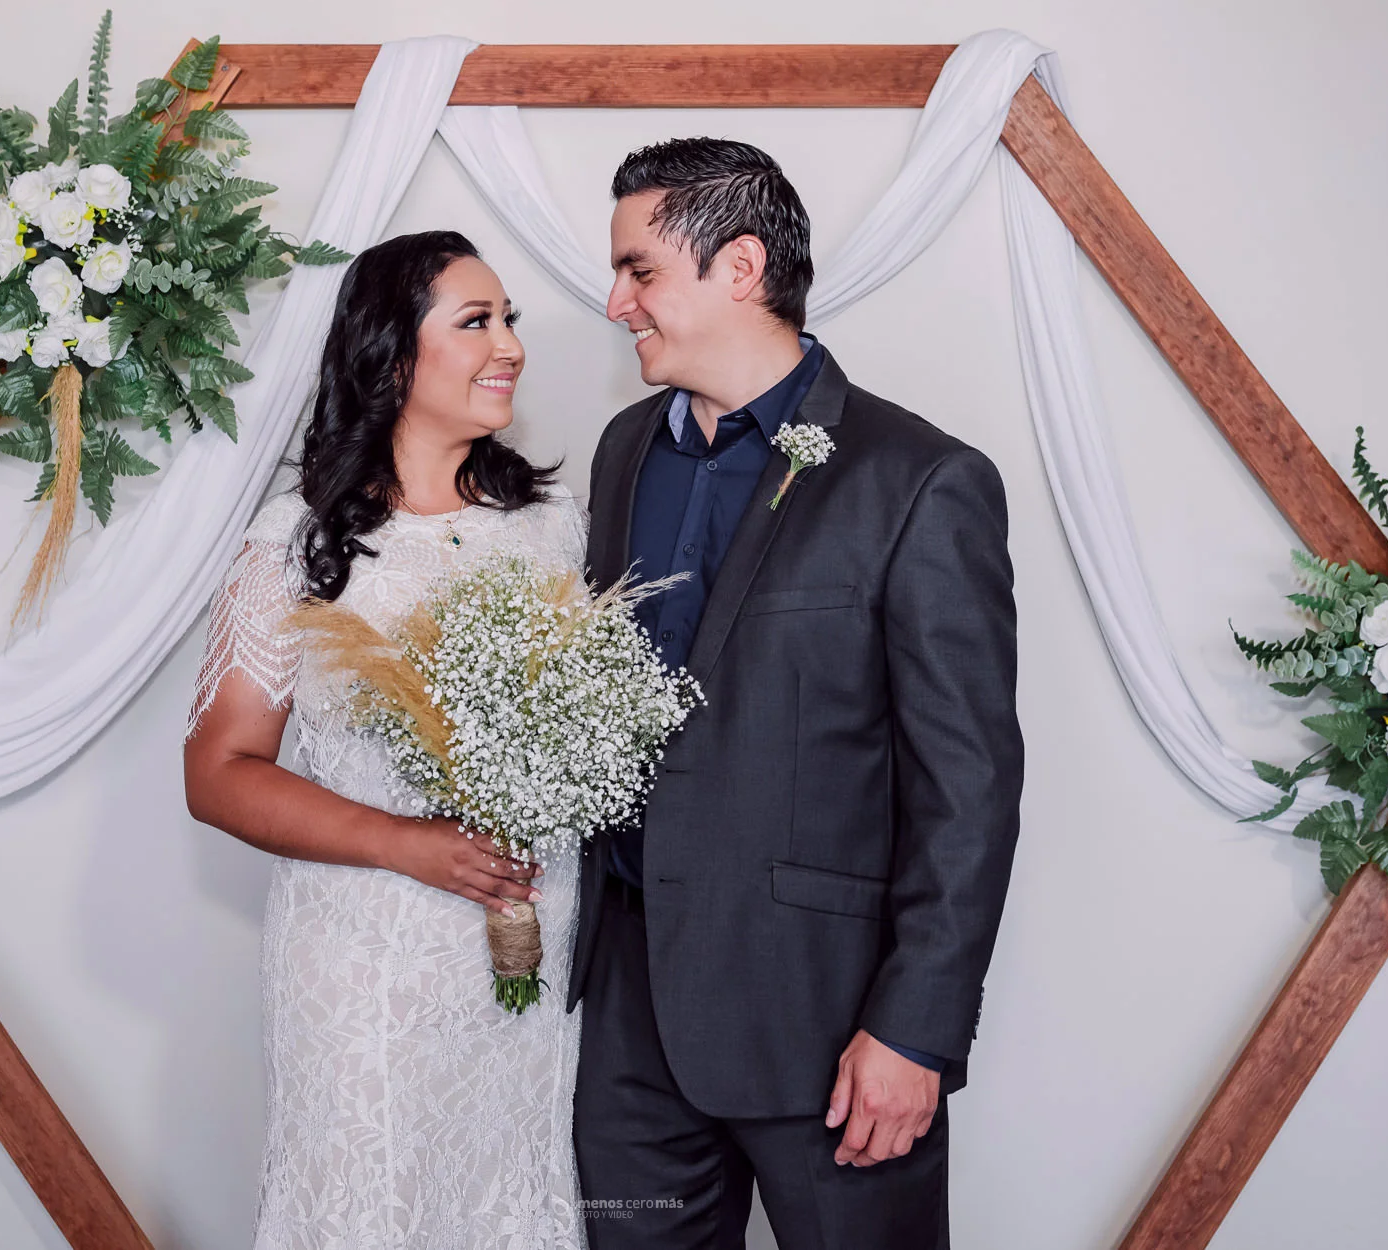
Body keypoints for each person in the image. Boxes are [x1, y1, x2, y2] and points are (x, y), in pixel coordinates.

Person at [568, 138, 1024, 1250]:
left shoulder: (920, 480)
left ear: (738, 267)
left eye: (639, 270)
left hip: (831, 1028)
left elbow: (969, 787)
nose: (615, 298)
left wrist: (914, 1031)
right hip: (632, 1024)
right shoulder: (627, 450)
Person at [183, 230, 589, 1249]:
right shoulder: (301, 540)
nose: (510, 345)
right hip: (367, 966)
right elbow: (219, 773)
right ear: (394, 357)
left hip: (526, 966)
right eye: (477, 321)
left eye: (510, 321)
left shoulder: (553, 525)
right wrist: (408, 843)